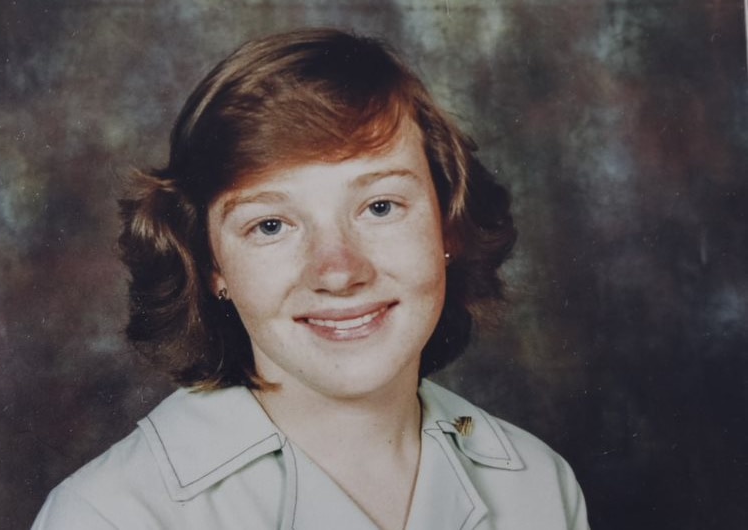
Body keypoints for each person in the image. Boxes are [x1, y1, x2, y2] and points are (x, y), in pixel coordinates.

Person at [32, 28, 589, 530]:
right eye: (270, 224)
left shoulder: (537, 485)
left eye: (380, 207)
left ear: (448, 227)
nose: (340, 271)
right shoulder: (109, 515)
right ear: (212, 268)